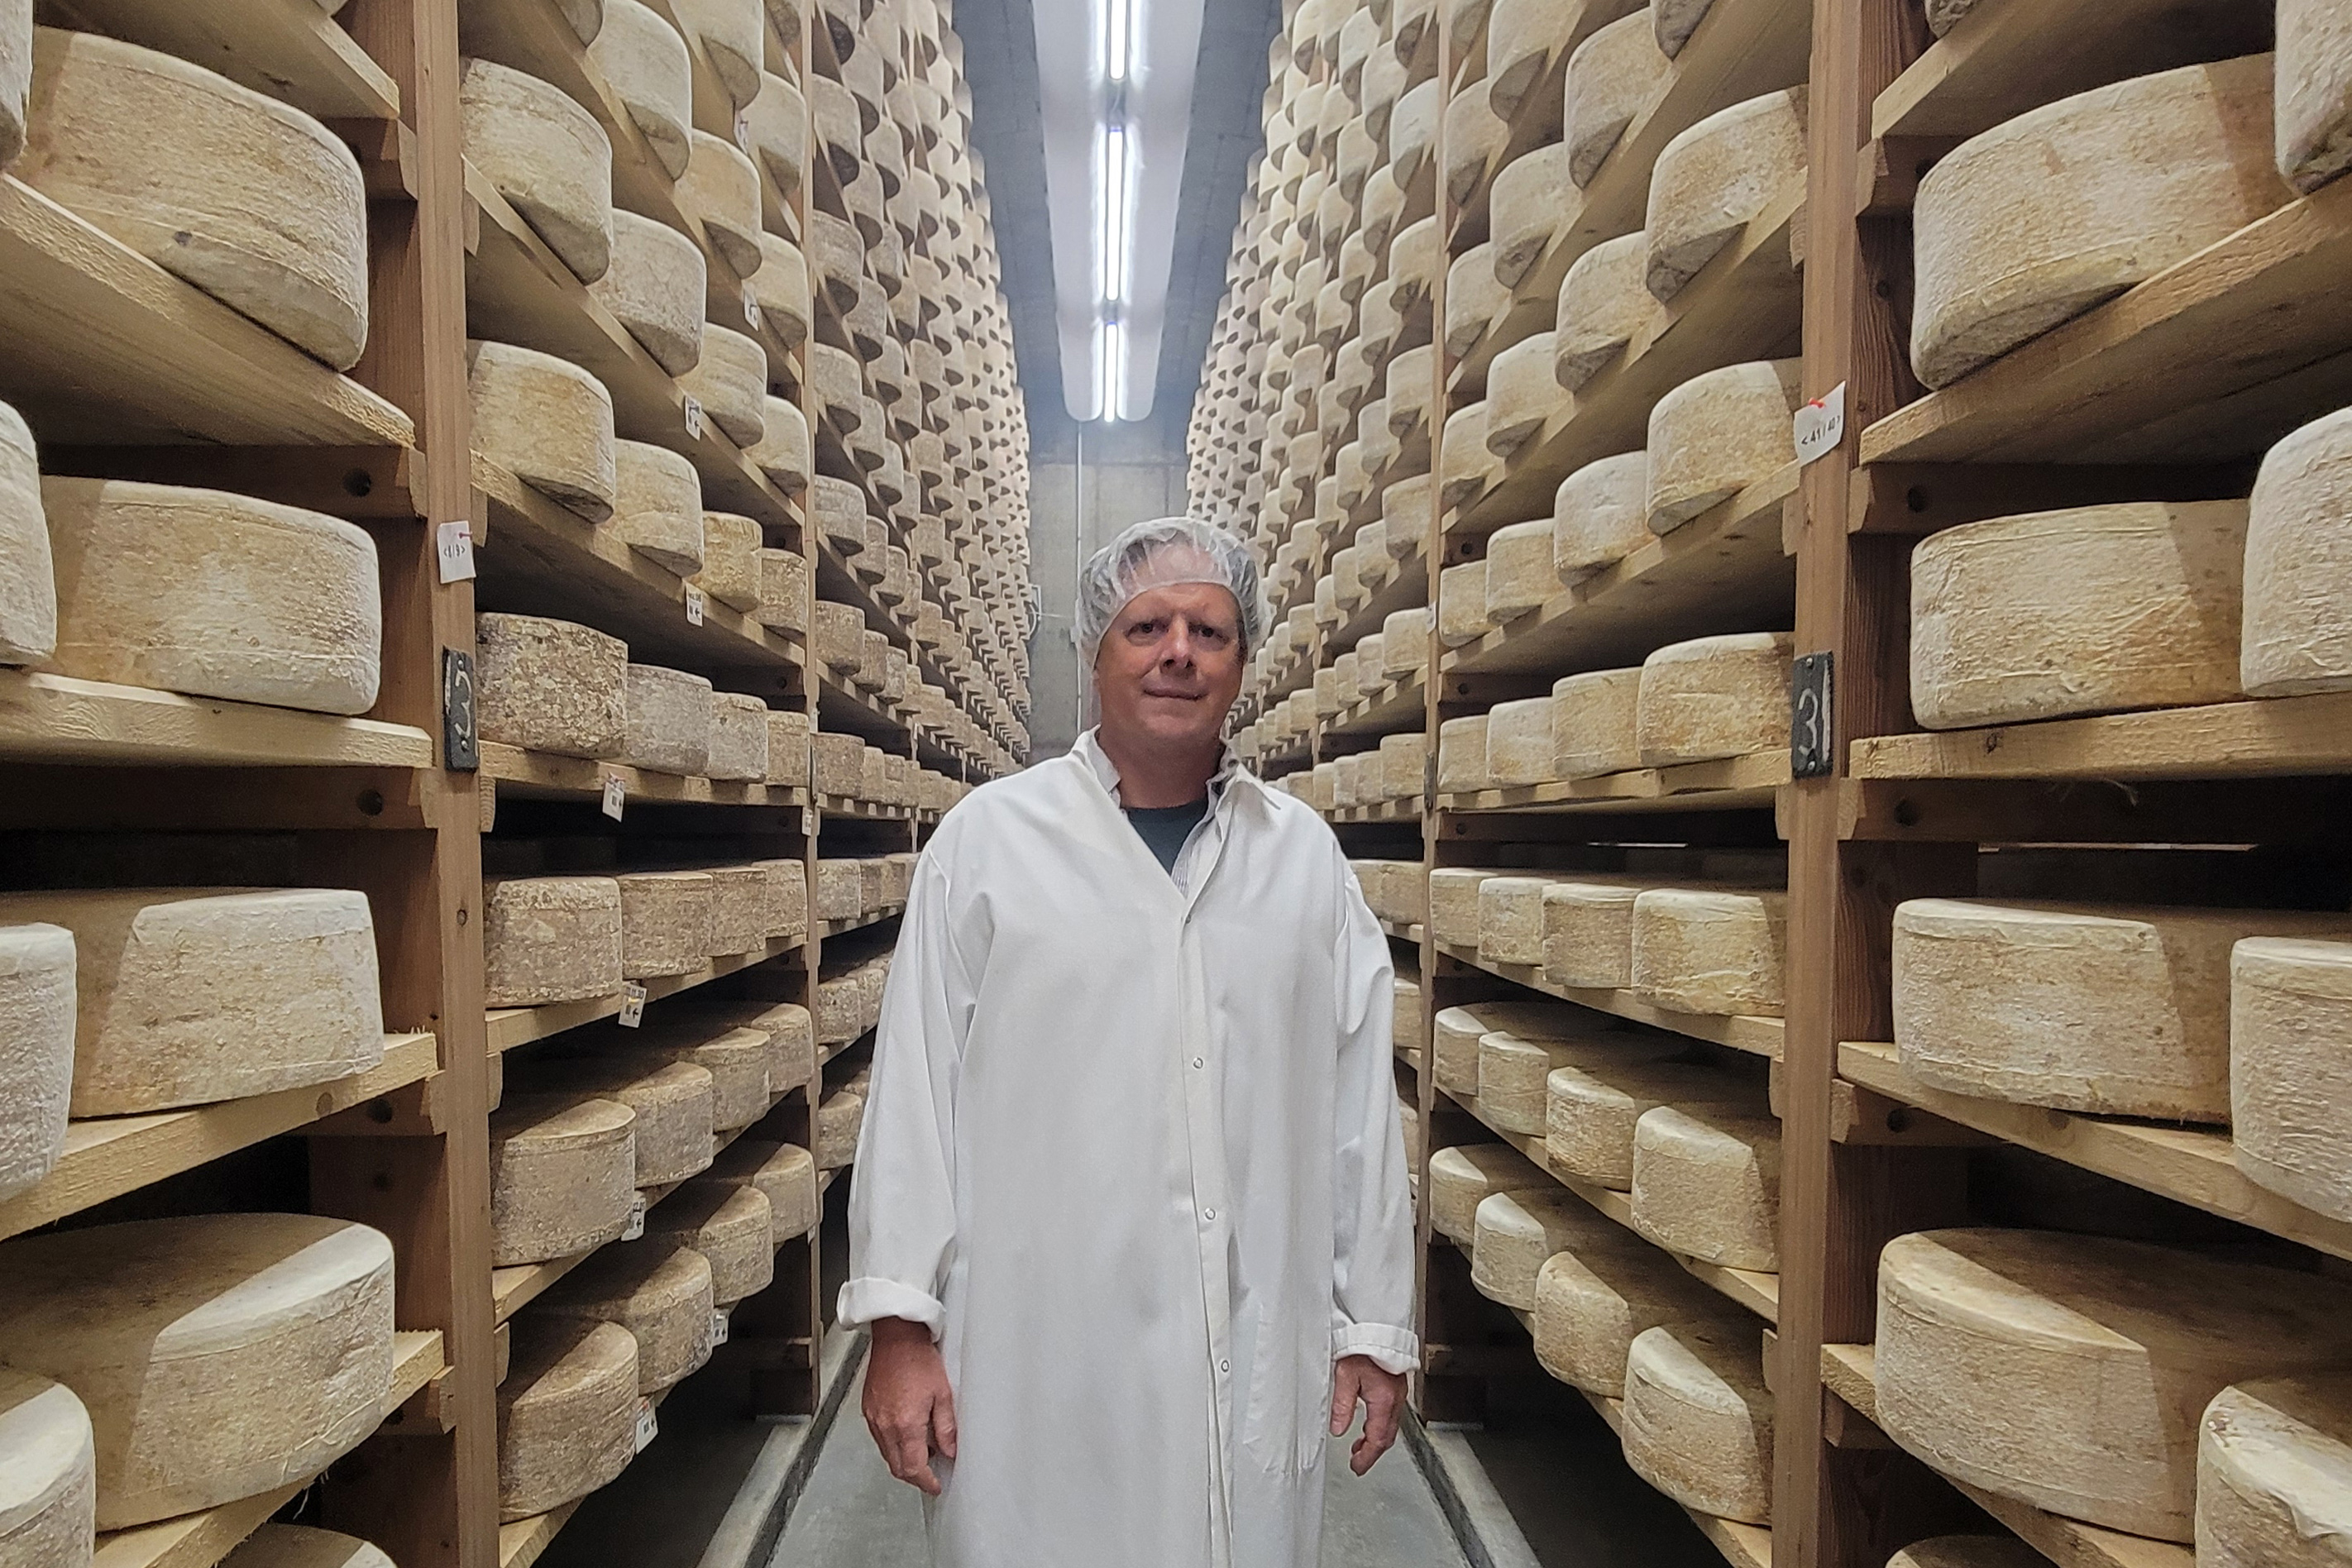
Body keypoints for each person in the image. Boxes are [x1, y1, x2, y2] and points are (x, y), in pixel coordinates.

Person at [839, 517, 1419, 1567]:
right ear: (1096, 653)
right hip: (1035, 1356)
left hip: (1249, 1340)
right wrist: (898, 1327)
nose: (1179, 653)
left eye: (1212, 629)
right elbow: (915, 1096)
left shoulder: (1304, 862)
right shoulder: (990, 844)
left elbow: (1357, 1114)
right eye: (1147, 625)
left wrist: (1373, 1327)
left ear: (1243, 661)